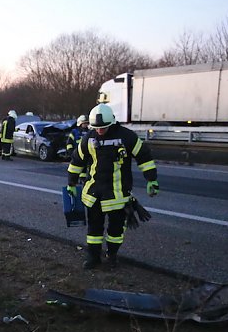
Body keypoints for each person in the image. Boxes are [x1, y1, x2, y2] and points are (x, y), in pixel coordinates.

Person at [67, 103, 159, 269]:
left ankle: (112, 256)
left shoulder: (127, 137)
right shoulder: (89, 137)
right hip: (94, 194)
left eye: (103, 128)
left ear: (111, 123)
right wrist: (71, 183)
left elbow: (144, 157)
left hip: (118, 195)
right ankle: (93, 257)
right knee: (94, 229)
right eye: (97, 128)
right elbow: (77, 161)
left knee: (116, 230)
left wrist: (151, 179)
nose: (100, 131)